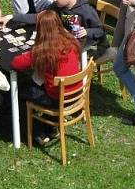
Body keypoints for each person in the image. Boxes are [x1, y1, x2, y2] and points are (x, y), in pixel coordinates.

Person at [11, 10, 83, 145]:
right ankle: (51, 127)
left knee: (21, 92)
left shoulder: (44, 50)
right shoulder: (71, 40)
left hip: (57, 98)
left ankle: (36, 132)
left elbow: (16, 64)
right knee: (40, 83)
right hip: (76, 94)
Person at [6, 0, 107, 50]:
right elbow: (39, 17)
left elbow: (100, 30)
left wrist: (87, 31)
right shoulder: (57, 6)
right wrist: (13, 17)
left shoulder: (86, 11)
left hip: (86, 44)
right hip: (65, 40)